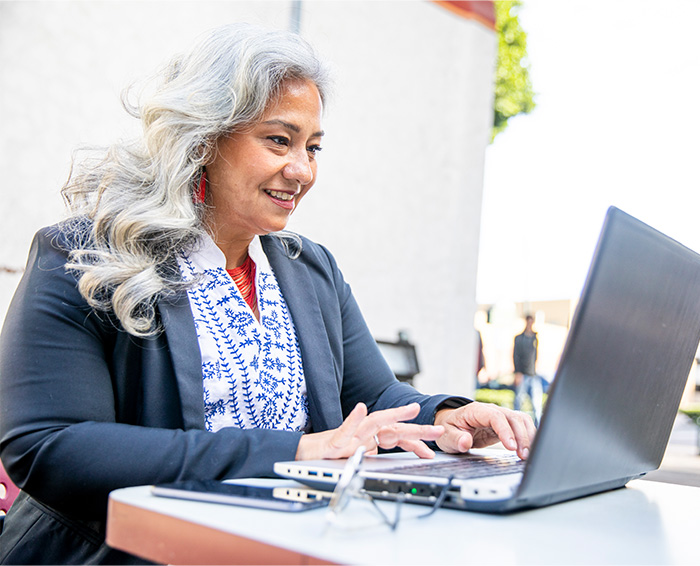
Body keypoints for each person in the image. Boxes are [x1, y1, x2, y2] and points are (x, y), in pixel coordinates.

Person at [0, 24, 535, 564]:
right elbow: (51, 447)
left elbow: (372, 399)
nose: (302, 170)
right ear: (205, 139)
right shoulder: (85, 255)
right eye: (279, 140)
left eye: (314, 147)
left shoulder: (311, 269)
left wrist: (445, 417)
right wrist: (297, 452)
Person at [512, 314, 543, 422]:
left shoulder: (535, 338)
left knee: (536, 404)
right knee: (518, 402)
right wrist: (517, 373)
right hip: (523, 374)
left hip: (533, 374)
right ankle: (516, 424)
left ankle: (537, 428)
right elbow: (516, 355)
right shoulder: (519, 338)